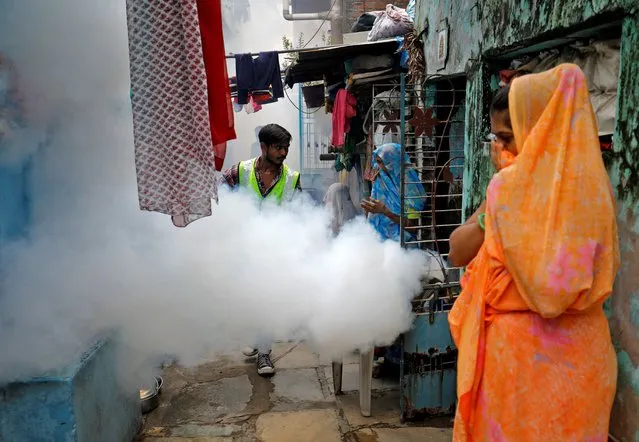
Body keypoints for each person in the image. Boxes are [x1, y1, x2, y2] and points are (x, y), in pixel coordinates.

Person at [447, 64, 618, 441]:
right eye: (497, 138)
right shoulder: (596, 190)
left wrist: (502, 188)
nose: (503, 148)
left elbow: (459, 251)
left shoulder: (508, 191)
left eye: (508, 137)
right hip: (586, 361)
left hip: (522, 368)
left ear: (538, 129)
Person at [222, 123, 301, 376]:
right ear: (264, 147)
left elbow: (302, 214)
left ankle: (265, 354)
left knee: (266, 297)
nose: (283, 153)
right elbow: (219, 196)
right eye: (278, 148)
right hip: (243, 249)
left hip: (273, 251)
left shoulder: (291, 178)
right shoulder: (239, 172)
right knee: (248, 297)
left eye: (286, 148)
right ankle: (256, 340)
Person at [360, 142, 426, 372]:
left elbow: (413, 224)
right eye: (376, 163)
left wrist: (384, 211)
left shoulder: (411, 188)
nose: (379, 168)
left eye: (382, 163)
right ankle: (385, 354)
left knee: (399, 302)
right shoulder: (380, 182)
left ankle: (399, 360)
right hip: (380, 249)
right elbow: (375, 215)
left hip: (403, 252)